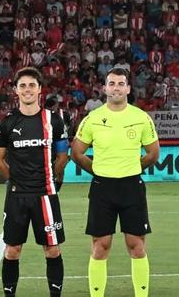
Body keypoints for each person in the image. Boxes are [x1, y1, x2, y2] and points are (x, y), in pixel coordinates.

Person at [70, 67, 160, 297]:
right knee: (100, 247)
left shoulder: (140, 118)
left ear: (128, 88)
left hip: (132, 187)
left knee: (136, 246)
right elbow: (77, 152)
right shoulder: (93, 118)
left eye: (121, 83)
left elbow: (153, 153)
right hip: (103, 188)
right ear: (105, 88)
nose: (116, 88)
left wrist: (131, 169)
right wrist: (98, 170)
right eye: (112, 83)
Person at [0, 67, 70, 297]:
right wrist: (14, 180)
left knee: (52, 249)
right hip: (16, 196)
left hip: (45, 194)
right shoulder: (6, 122)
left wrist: (51, 178)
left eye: (31, 85)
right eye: (23, 85)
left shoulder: (53, 120)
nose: (27, 89)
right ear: (16, 90)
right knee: (13, 250)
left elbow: (62, 156)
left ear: (39, 90)